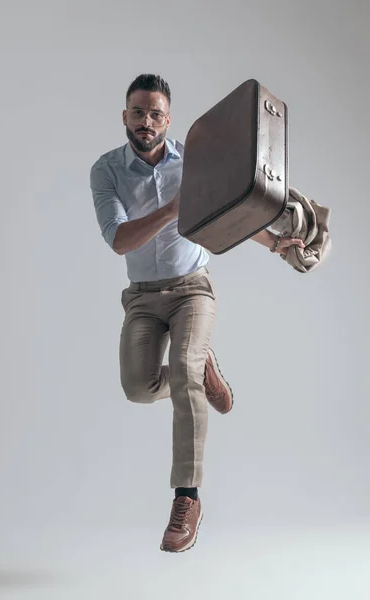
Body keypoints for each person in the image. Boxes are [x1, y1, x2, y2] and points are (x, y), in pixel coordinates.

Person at [90, 74, 304, 553]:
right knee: (138, 387)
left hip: (192, 289)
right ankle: (203, 370)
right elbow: (119, 239)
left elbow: (228, 212)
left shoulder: (194, 159)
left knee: (182, 371)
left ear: (169, 118)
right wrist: (170, 211)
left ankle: (186, 497)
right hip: (143, 296)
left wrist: (273, 244)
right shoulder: (105, 170)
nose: (147, 122)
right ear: (125, 116)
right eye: (139, 112)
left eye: (157, 114)